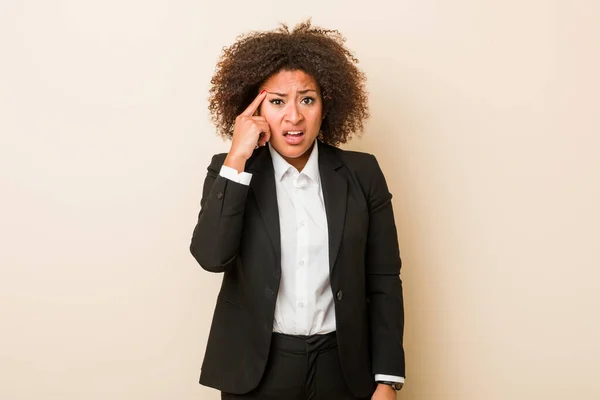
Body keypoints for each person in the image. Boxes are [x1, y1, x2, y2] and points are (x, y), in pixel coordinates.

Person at [190, 20, 405, 400]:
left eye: (307, 99)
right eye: (276, 102)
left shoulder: (362, 172)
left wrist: (387, 379)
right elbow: (211, 256)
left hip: (343, 368)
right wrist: (238, 156)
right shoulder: (230, 171)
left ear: (327, 104)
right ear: (254, 109)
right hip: (258, 370)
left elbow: (384, 279)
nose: (293, 117)